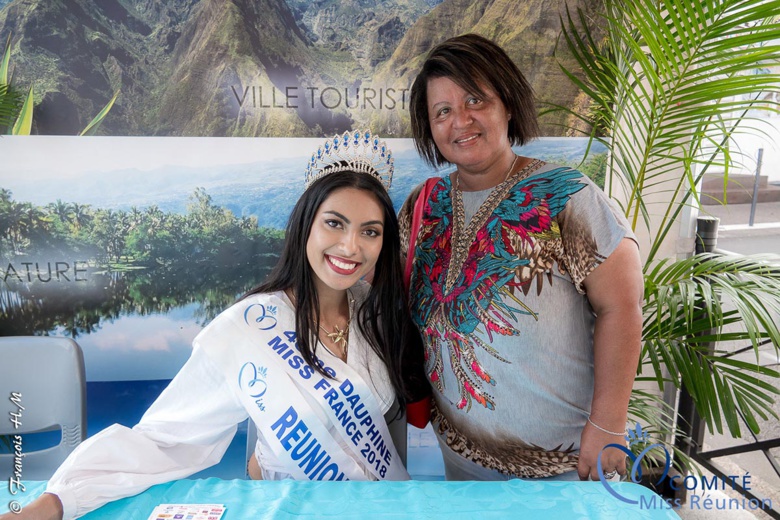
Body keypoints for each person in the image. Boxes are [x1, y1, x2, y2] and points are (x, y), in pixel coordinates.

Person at [3, 130, 426, 520]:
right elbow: (163, 440)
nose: (351, 246)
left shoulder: (377, 315)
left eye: (370, 232)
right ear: (306, 227)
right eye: (334, 223)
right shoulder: (248, 326)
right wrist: (55, 502)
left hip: (380, 508)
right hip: (294, 510)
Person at [401, 34, 644, 482]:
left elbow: (621, 306)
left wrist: (608, 423)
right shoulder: (422, 205)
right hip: (458, 458)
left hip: (566, 468)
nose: (461, 120)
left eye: (476, 99)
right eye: (443, 111)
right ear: (430, 128)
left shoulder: (567, 195)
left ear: (507, 104)